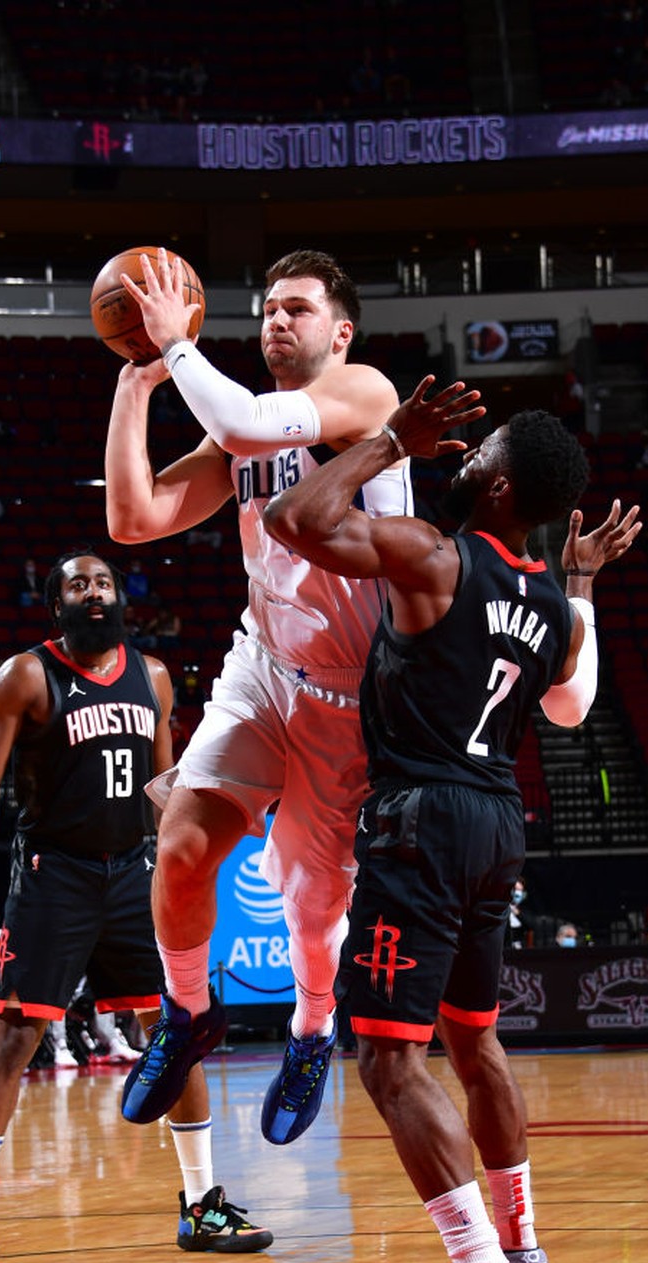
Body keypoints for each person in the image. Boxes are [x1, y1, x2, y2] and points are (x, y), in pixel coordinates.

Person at [261, 375, 640, 1263]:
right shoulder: (554, 611)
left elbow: (293, 518)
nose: (462, 462)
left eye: (481, 455)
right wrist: (583, 580)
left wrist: (392, 440)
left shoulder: (436, 557)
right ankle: (526, 1256)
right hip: (497, 821)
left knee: (391, 1057)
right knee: (476, 1043)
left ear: (505, 491)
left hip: (420, 820)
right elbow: (572, 704)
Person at [106, 247, 412, 1145]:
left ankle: (313, 1030)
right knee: (184, 845)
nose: (277, 321)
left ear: (340, 330)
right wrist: (137, 381)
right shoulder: (238, 429)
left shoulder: (367, 395)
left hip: (351, 700)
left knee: (313, 910)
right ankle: (189, 1011)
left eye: (299, 309)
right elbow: (135, 518)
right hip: (262, 666)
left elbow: (241, 421)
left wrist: (176, 344)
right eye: (269, 308)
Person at [0, 550, 272, 1263]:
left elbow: (166, 785)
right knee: (16, 1036)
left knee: (176, 1031)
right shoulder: (26, 675)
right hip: (53, 872)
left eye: (103, 583)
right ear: (55, 603)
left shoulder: (151, 675)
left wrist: (180, 869)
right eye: (77, 585)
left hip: (133, 872)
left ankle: (202, 1203)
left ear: (121, 597)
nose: (93, 593)